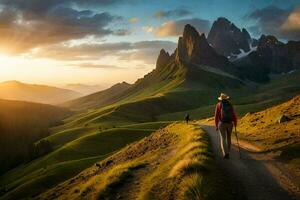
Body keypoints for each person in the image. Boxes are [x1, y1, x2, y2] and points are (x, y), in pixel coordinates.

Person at [214, 93, 237, 159]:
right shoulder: (230, 105)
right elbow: (234, 115)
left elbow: (216, 116)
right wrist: (235, 123)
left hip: (222, 123)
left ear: (221, 99)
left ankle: (225, 153)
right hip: (230, 123)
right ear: (227, 98)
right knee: (229, 138)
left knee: (223, 138)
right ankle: (228, 151)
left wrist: (216, 125)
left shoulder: (218, 105)